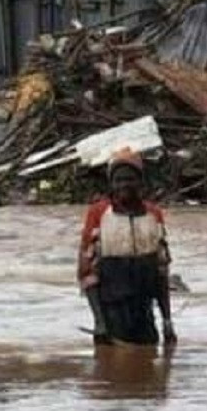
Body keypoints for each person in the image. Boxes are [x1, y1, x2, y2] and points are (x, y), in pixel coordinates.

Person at [78, 148, 176, 346]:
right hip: (111, 315)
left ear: (140, 181)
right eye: (119, 180)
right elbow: (87, 273)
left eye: (130, 179)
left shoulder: (153, 215)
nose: (124, 185)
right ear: (111, 184)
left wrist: (167, 321)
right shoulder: (99, 214)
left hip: (144, 313)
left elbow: (161, 272)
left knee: (149, 360)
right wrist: (99, 322)